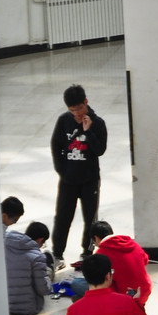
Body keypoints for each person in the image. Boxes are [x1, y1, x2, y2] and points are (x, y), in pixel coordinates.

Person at [50, 84, 108, 263]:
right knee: (62, 217)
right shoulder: (63, 121)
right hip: (68, 180)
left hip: (90, 180)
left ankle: (87, 253)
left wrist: (88, 131)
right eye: (72, 110)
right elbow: (56, 145)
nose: (77, 113)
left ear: (86, 102)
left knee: (90, 218)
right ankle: (57, 253)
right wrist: (62, 170)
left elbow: (100, 150)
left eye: (80, 108)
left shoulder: (98, 123)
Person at [88, 221, 152, 302]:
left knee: (78, 284)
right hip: (144, 292)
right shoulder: (133, 244)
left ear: (96, 238)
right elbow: (145, 260)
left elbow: (98, 280)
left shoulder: (101, 253)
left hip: (124, 297)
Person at [5, 220, 52, 315]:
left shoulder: (5, 243)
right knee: (47, 273)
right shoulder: (37, 257)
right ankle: (50, 267)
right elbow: (43, 290)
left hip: (5, 305)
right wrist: (49, 282)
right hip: (28, 308)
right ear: (40, 240)